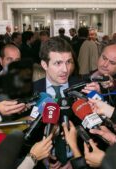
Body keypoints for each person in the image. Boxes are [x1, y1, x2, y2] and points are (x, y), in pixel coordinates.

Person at [33, 37, 82, 168]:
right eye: (58, 63)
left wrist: (77, 161)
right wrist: (40, 158)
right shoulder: (32, 91)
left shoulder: (82, 87)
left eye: (68, 62)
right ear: (44, 65)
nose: (65, 69)